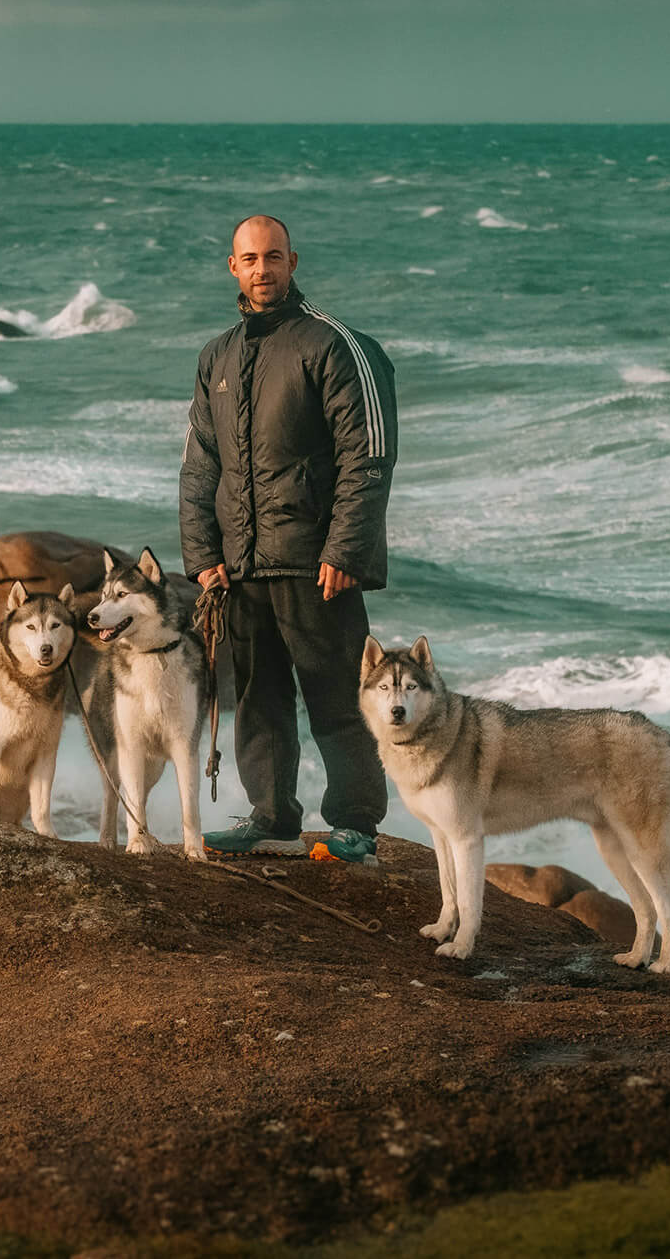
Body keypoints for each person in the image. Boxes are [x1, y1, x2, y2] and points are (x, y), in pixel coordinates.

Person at [180, 214, 399, 862]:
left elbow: (371, 454)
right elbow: (200, 465)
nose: (262, 269)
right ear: (233, 267)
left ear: (293, 262)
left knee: (337, 694)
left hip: (314, 562)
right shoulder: (216, 356)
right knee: (258, 697)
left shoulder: (333, 344)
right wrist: (203, 555)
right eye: (249, 258)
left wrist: (346, 549)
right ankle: (272, 817)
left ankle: (356, 822)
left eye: (273, 257)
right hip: (241, 565)